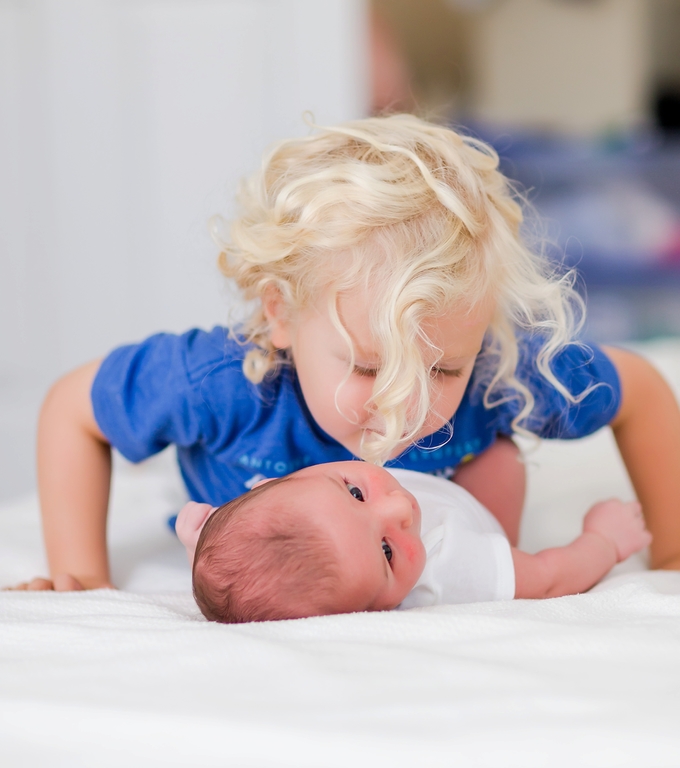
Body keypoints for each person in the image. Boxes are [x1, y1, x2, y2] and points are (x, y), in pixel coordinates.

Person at [13, 114, 680, 593]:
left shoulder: (497, 372)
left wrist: (671, 550)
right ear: (279, 314)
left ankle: (485, 561)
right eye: (367, 366)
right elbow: (75, 408)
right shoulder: (225, 382)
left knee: (498, 457)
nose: (406, 404)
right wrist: (81, 575)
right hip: (265, 557)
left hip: (448, 540)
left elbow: (643, 389)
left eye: (443, 368)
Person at [175, 460, 652, 623]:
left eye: (354, 491)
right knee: (499, 456)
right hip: (474, 515)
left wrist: (204, 539)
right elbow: (550, 579)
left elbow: (249, 555)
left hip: (432, 484)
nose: (399, 509)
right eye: (386, 551)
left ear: (270, 480)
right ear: (375, 611)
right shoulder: (451, 567)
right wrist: (605, 539)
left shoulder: (287, 502)